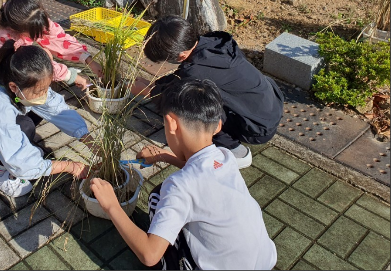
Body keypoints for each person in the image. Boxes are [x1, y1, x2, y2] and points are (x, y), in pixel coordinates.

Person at [91, 78, 277, 270]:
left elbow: (149, 255)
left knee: (157, 196)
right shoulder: (225, 157)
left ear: (171, 124)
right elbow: (199, 169)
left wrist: (112, 205)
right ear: (218, 125)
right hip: (264, 262)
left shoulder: (180, 186)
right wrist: (163, 155)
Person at [131, 16, 284, 169]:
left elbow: (176, 92)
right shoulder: (214, 43)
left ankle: (235, 151)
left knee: (192, 105)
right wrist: (155, 84)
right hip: (270, 104)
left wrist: (149, 91)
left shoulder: (196, 72)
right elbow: (181, 75)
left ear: (181, 55)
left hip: (259, 128)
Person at [0, 40, 95, 197]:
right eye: (40, 90)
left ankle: (19, 151)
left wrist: (86, 137)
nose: (44, 94)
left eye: (46, 88)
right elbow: (17, 156)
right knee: (25, 126)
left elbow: (55, 108)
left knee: (38, 109)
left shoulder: (16, 82)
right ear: (13, 87)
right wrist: (68, 166)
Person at [0, 0, 102, 85]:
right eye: (32, 34)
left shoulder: (29, 14)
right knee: (31, 72)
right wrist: (73, 77)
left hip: (10, 51)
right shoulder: (3, 33)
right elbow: (31, 63)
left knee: (45, 55)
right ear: (15, 30)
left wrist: (88, 59)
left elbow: (58, 37)